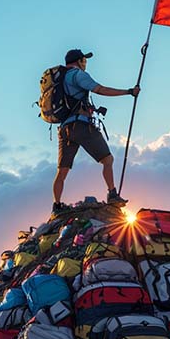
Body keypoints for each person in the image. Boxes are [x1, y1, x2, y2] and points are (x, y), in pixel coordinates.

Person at [53, 48, 140, 215]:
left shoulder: (61, 79)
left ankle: (56, 206)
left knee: (62, 170)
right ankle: (112, 195)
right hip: (81, 125)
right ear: (78, 61)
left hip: (64, 129)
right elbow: (100, 89)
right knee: (107, 159)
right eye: (84, 60)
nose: (85, 63)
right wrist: (129, 92)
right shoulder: (78, 75)